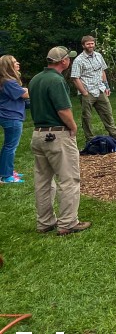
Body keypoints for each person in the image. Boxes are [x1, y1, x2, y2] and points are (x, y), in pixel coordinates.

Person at [29, 46, 88, 234]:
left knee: (43, 181)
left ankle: (45, 222)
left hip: (38, 134)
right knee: (68, 179)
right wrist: (73, 126)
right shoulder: (56, 80)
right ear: (63, 61)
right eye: (68, 58)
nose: (69, 61)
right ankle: (68, 223)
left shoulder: (36, 79)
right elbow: (63, 110)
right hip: (57, 135)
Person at [70, 35, 116, 141]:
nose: (90, 45)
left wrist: (106, 86)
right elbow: (75, 78)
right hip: (88, 92)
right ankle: (90, 138)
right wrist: (84, 92)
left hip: (100, 89)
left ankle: (114, 134)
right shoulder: (79, 60)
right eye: (88, 44)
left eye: (92, 43)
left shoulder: (98, 55)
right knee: (87, 117)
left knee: (107, 112)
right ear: (83, 45)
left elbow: (102, 71)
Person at [0, 55, 28, 184]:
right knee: (10, 146)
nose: (18, 64)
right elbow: (25, 94)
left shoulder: (5, 81)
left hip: (8, 115)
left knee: (9, 146)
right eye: (15, 63)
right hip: (12, 116)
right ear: (8, 66)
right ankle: (6, 176)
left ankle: (7, 171)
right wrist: (27, 89)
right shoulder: (9, 82)